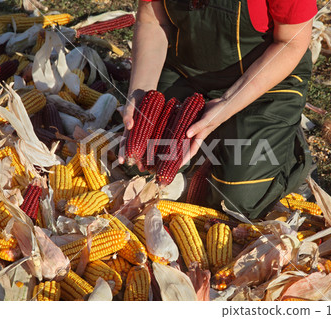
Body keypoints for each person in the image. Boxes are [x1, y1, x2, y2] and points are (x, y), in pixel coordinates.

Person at [118, 0, 317, 219]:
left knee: (235, 200)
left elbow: (291, 43)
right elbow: (152, 20)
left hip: (265, 78)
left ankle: (285, 143)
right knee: (140, 167)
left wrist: (227, 103)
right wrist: (142, 93)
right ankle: (220, 141)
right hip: (185, 71)